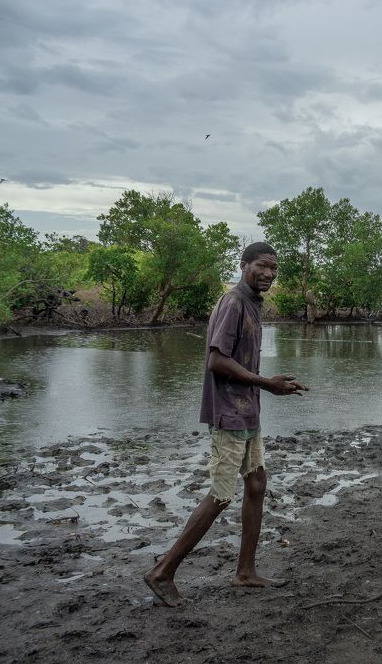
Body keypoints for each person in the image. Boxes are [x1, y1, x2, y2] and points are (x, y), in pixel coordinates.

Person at [144, 242, 309, 607]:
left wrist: (268, 386)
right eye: (262, 266)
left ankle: (245, 572)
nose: (268, 273)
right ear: (244, 264)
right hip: (228, 413)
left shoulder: (254, 303)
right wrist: (267, 383)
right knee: (221, 495)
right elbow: (216, 361)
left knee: (257, 484)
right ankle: (162, 572)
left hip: (248, 409)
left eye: (273, 268)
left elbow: (239, 363)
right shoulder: (233, 302)